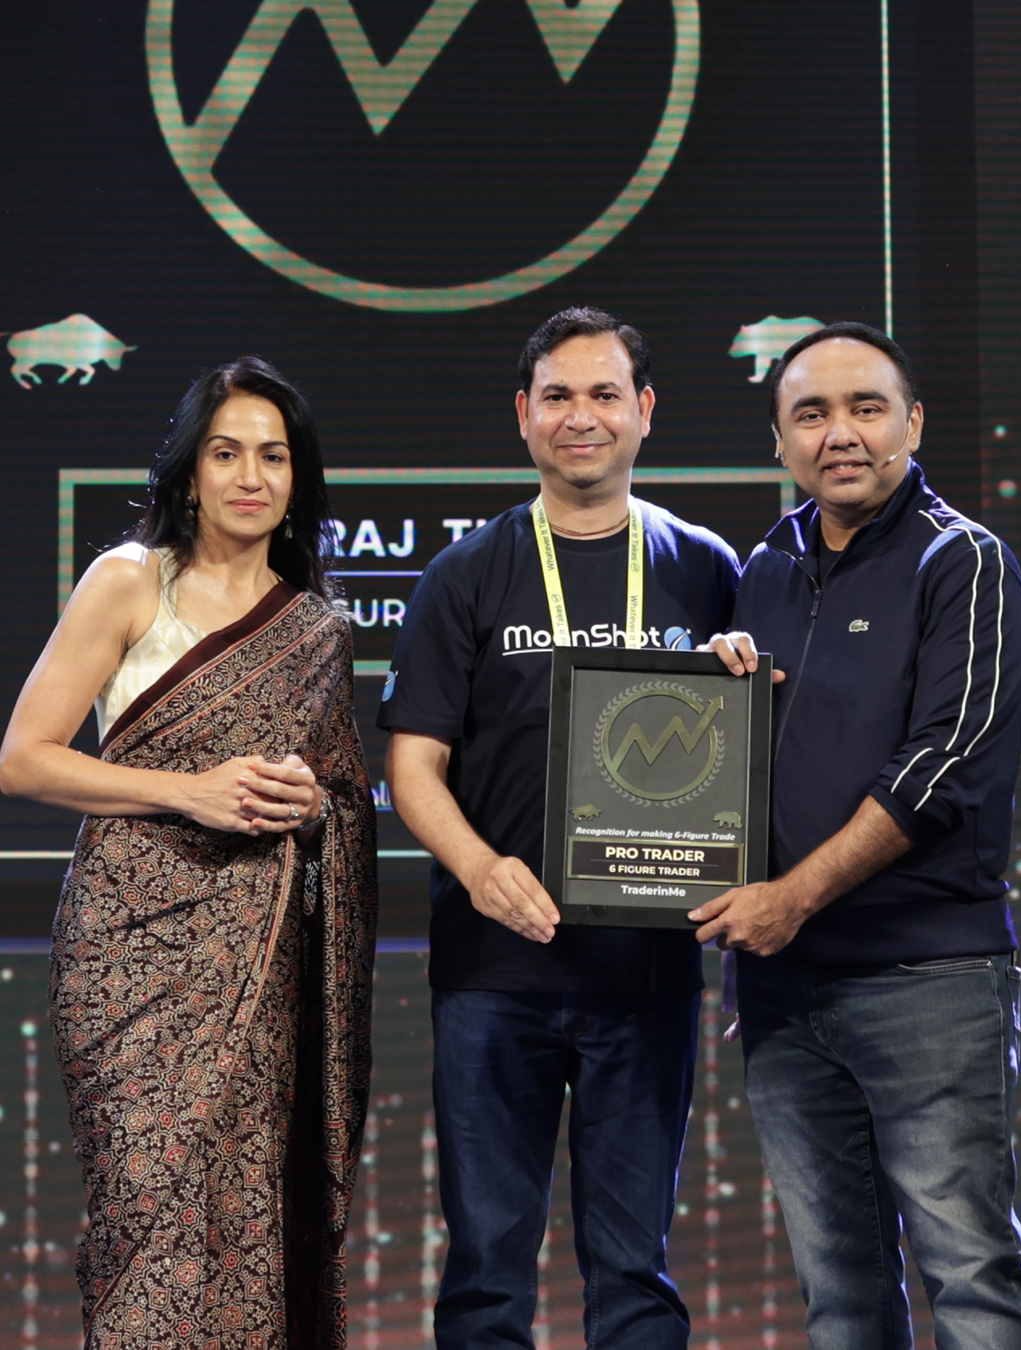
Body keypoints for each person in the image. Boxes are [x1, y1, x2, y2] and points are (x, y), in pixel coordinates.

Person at [379, 307, 740, 1349]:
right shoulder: (465, 573)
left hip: (647, 975)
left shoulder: (708, 566)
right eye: (559, 396)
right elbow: (411, 767)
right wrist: (479, 867)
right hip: (495, 973)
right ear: (524, 415)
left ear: (645, 411)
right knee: (487, 1277)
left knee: (635, 1275)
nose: (583, 416)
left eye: (605, 394)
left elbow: (760, 757)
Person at [0, 356, 377, 1349]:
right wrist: (189, 791)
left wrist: (314, 810)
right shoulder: (130, 580)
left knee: (246, 1218)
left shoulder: (318, 628)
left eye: (273, 456)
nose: (251, 476)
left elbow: (342, 804)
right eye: (226, 453)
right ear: (191, 471)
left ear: (297, 478)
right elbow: (24, 759)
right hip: (127, 956)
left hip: (260, 974)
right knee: (148, 1215)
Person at [694, 322, 1021, 1348]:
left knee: (971, 1281)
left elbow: (942, 769)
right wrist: (714, 694)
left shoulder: (964, 561)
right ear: (779, 440)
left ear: (913, 424)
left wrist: (790, 899)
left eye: (866, 408)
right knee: (841, 1299)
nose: (840, 433)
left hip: (926, 980)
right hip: (784, 993)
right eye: (811, 413)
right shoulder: (765, 567)